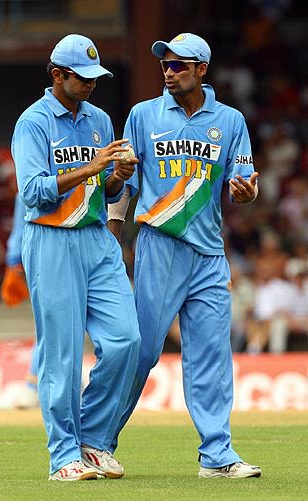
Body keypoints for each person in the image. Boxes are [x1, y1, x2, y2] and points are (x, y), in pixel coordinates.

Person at [108, 33, 261, 479]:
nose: (168, 72)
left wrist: (246, 192)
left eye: (178, 65)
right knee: (142, 351)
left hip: (211, 254)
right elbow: (124, 185)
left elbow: (244, 183)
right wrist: (114, 235)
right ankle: (97, 442)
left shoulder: (230, 121)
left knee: (212, 354)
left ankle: (217, 456)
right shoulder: (143, 114)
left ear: (201, 70)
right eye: (165, 65)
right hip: (160, 244)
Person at [11, 34, 141, 481]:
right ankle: (62, 457)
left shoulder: (100, 120)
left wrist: (117, 176)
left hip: (96, 236)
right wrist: (91, 167)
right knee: (63, 357)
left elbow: (108, 192)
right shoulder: (33, 123)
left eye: (95, 78)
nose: (90, 85)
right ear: (57, 75)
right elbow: (32, 193)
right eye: (81, 78)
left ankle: (93, 441)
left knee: (128, 341)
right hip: (50, 239)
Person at [0, 193, 39, 409]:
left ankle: (74, 383)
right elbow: (19, 225)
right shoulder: (29, 185)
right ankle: (32, 386)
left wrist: (13, 260)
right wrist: (14, 262)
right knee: (52, 325)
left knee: (70, 326)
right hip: (41, 256)